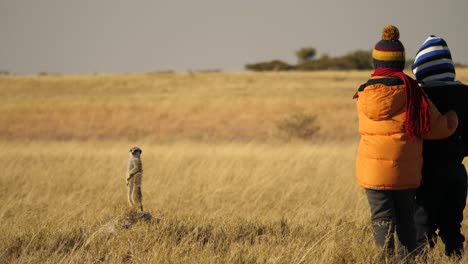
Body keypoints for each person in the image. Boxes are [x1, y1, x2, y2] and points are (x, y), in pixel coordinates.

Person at [354, 25, 459, 261]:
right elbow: (438, 128)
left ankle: (386, 258)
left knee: (381, 217)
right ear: (401, 62)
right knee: (405, 215)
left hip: (373, 172)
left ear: (375, 63)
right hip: (405, 170)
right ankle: (409, 258)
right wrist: (452, 117)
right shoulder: (413, 91)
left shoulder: (363, 93)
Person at [412, 35, 468, 258]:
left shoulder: (418, 96)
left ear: (420, 68)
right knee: (453, 227)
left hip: (424, 173)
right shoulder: (465, 95)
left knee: (421, 230)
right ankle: (455, 257)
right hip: (456, 171)